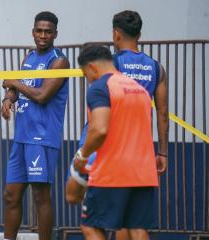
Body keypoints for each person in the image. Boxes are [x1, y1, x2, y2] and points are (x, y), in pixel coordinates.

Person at [65, 10, 168, 207]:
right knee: (128, 218)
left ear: (116, 34)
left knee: (81, 202)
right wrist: (162, 152)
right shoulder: (156, 68)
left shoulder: (109, 64)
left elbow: (100, 102)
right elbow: (162, 112)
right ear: (139, 35)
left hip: (104, 144)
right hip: (137, 148)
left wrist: (84, 152)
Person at [75, 44, 159, 240]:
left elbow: (99, 130)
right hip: (143, 172)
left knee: (91, 226)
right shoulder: (138, 89)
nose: (87, 79)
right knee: (137, 228)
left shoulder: (100, 87)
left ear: (92, 67)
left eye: (85, 73)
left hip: (112, 171)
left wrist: (82, 154)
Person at [1, 11, 70, 240]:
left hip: (42, 138)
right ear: (33, 32)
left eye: (48, 32)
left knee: (41, 196)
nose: (43, 35)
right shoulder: (28, 57)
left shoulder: (59, 61)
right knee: (10, 195)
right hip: (21, 136)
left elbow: (42, 95)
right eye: (39, 31)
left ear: (55, 34)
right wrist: (8, 99)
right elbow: (17, 87)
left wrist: (14, 83)